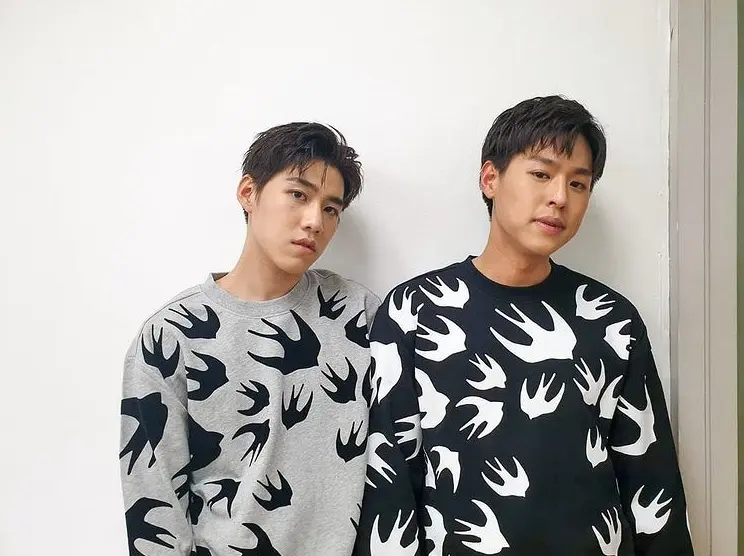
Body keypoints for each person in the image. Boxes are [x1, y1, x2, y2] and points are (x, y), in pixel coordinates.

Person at [354, 96, 694, 555]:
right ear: (490, 178)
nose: (560, 197)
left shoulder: (611, 319)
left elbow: (652, 480)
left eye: (579, 183)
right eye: (541, 174)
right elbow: (389, 480)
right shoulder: (414, 310)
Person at [119, 122, 380, 556]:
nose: (314, 221)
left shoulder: (358, 313)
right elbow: (154, 502)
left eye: (331, 209)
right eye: (298, 194)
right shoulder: (171, 335)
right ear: (248, 193)